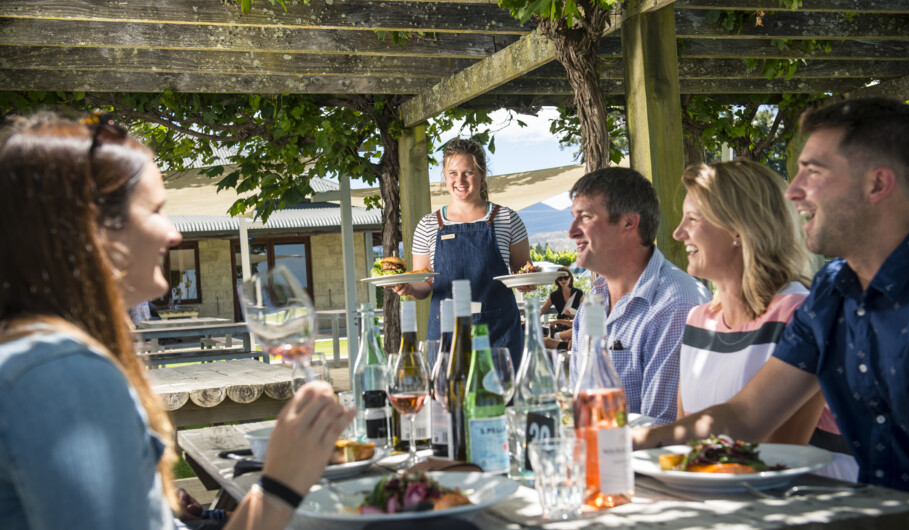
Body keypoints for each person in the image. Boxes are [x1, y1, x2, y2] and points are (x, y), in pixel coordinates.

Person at [0, 112, 357, 529]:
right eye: (155, 210)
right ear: (91, 228)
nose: (174, 234)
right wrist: (280, 485)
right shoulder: (65, 376)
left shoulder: (35, 354)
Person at [633, 97, 909, 498]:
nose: (793, 191)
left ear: (877, 184)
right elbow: (746, 415)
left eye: (813, 172)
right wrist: (624, 443)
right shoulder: (832, 289)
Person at [673, 159, 857, 481]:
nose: (678, 233)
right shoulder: (699, 319)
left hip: (810, 497)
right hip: (714, 491)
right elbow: (681, 439)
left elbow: (775, 458)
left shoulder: (800, 314)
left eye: (693, 218)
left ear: (737, 228)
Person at [567, 167, 711, 424]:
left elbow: (662, 428)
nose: (572, 231)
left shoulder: (676, 304)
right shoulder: (592, 305)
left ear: (628, 223)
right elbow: (578, 411)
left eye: (585, 217)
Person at [392, 138, 531, 367]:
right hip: (446, 335)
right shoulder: (428, 225)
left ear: (482, 174)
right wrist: (408, 288)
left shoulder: (507, 219)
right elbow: (425, 285)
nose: (460, 180)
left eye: (468, 172)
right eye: (453, 173)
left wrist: (526, 282)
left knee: (502, 391)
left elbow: (523, 273)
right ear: (445, 176)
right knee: (447, 390)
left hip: (499, 333)